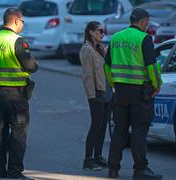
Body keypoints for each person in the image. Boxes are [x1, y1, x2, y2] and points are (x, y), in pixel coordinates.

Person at [104, 8, 163, 179]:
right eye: (147, 22)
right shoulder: (144, 39)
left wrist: (114, 83)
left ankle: (113, 168)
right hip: (140, 93)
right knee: (139, 131)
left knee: (119, 131)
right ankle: (141, 170)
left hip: (121, 93)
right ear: (144, 21)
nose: (147, 25)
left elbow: (106, 66)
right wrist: (157, 85)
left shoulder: (116, 38)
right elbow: (152, 67)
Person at [0, 8, 38, 180]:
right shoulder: (17, 41)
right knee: (18, 133)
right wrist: (35, 64)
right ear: (15, 21)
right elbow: (31, 66)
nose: (22, 25)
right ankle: (15, 173)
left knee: (1, 132)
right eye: (22, 22)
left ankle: (1, 173)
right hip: (17, 95)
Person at [79, 21, 112, 171]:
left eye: (104, 31)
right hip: (97, 93)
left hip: (107, 92)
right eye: (100, 31)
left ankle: (98, 156)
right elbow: (87, 75)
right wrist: (91, 95)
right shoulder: (87, 50)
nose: (102, 33)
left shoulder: (99, 49)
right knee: (95, 126)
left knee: (103, 126)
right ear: (91, 32)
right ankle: (88, 159)